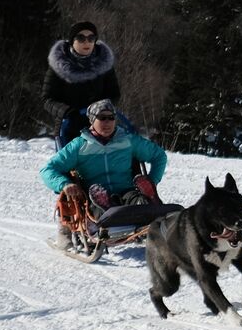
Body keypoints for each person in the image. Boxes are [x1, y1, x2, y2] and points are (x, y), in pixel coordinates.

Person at [41, 100, 167, 245]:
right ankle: (107, 210)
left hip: (126, 190)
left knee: (137, 201)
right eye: (102, 118)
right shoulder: (79, 146)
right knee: (98, 208)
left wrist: (153, 180)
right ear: (92, 120)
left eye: (111, 118)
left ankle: (146, 200)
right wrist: (65, 184)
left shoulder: (128, 140)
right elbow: (48, 170)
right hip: (94, 195)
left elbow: (159, 156)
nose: (107, 122)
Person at [43, 21, 121, 147]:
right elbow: (47, 99)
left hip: (100, 125)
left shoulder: (104, 64)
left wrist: (101, 109)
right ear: (72, 41)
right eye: (81, 38)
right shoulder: (58, 66)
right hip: (69, 125)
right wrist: (67, 112)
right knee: (71, 163)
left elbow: (114, 94)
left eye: (91, 38)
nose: (87, 42)